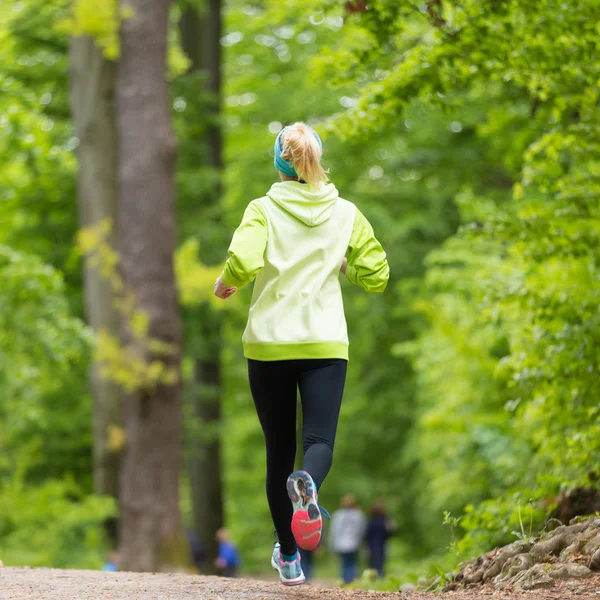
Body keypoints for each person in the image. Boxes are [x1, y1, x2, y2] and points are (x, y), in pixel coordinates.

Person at [214, 122, 389, 586]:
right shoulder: (346, 213)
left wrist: (226, 280)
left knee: (278, 450)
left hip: (269, 345)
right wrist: (346, 266)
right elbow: (377, 274)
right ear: (316, 159)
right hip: (324, 344)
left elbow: (244, 261)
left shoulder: (262, 208)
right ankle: (308, 482)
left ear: (279, 163)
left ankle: (289, 560)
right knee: (318, 443)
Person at [329, 494, 367, 584]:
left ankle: (344, 581)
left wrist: (331, 545)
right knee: (352, 563)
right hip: (354, 543)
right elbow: (362, 530)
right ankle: (352, 581)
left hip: (341, 544)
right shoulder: (359, 515)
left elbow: (334, 531)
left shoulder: (338, 515)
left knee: (344, 563)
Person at [365, 499, 396, 577]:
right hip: (382, 543)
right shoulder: (386, 520)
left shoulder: (370, 520)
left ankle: (373, 577)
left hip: (372, 544)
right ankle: (380, 576)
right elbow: (392, 532)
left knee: (372, 562)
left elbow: (367, 533)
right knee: (381, 562)